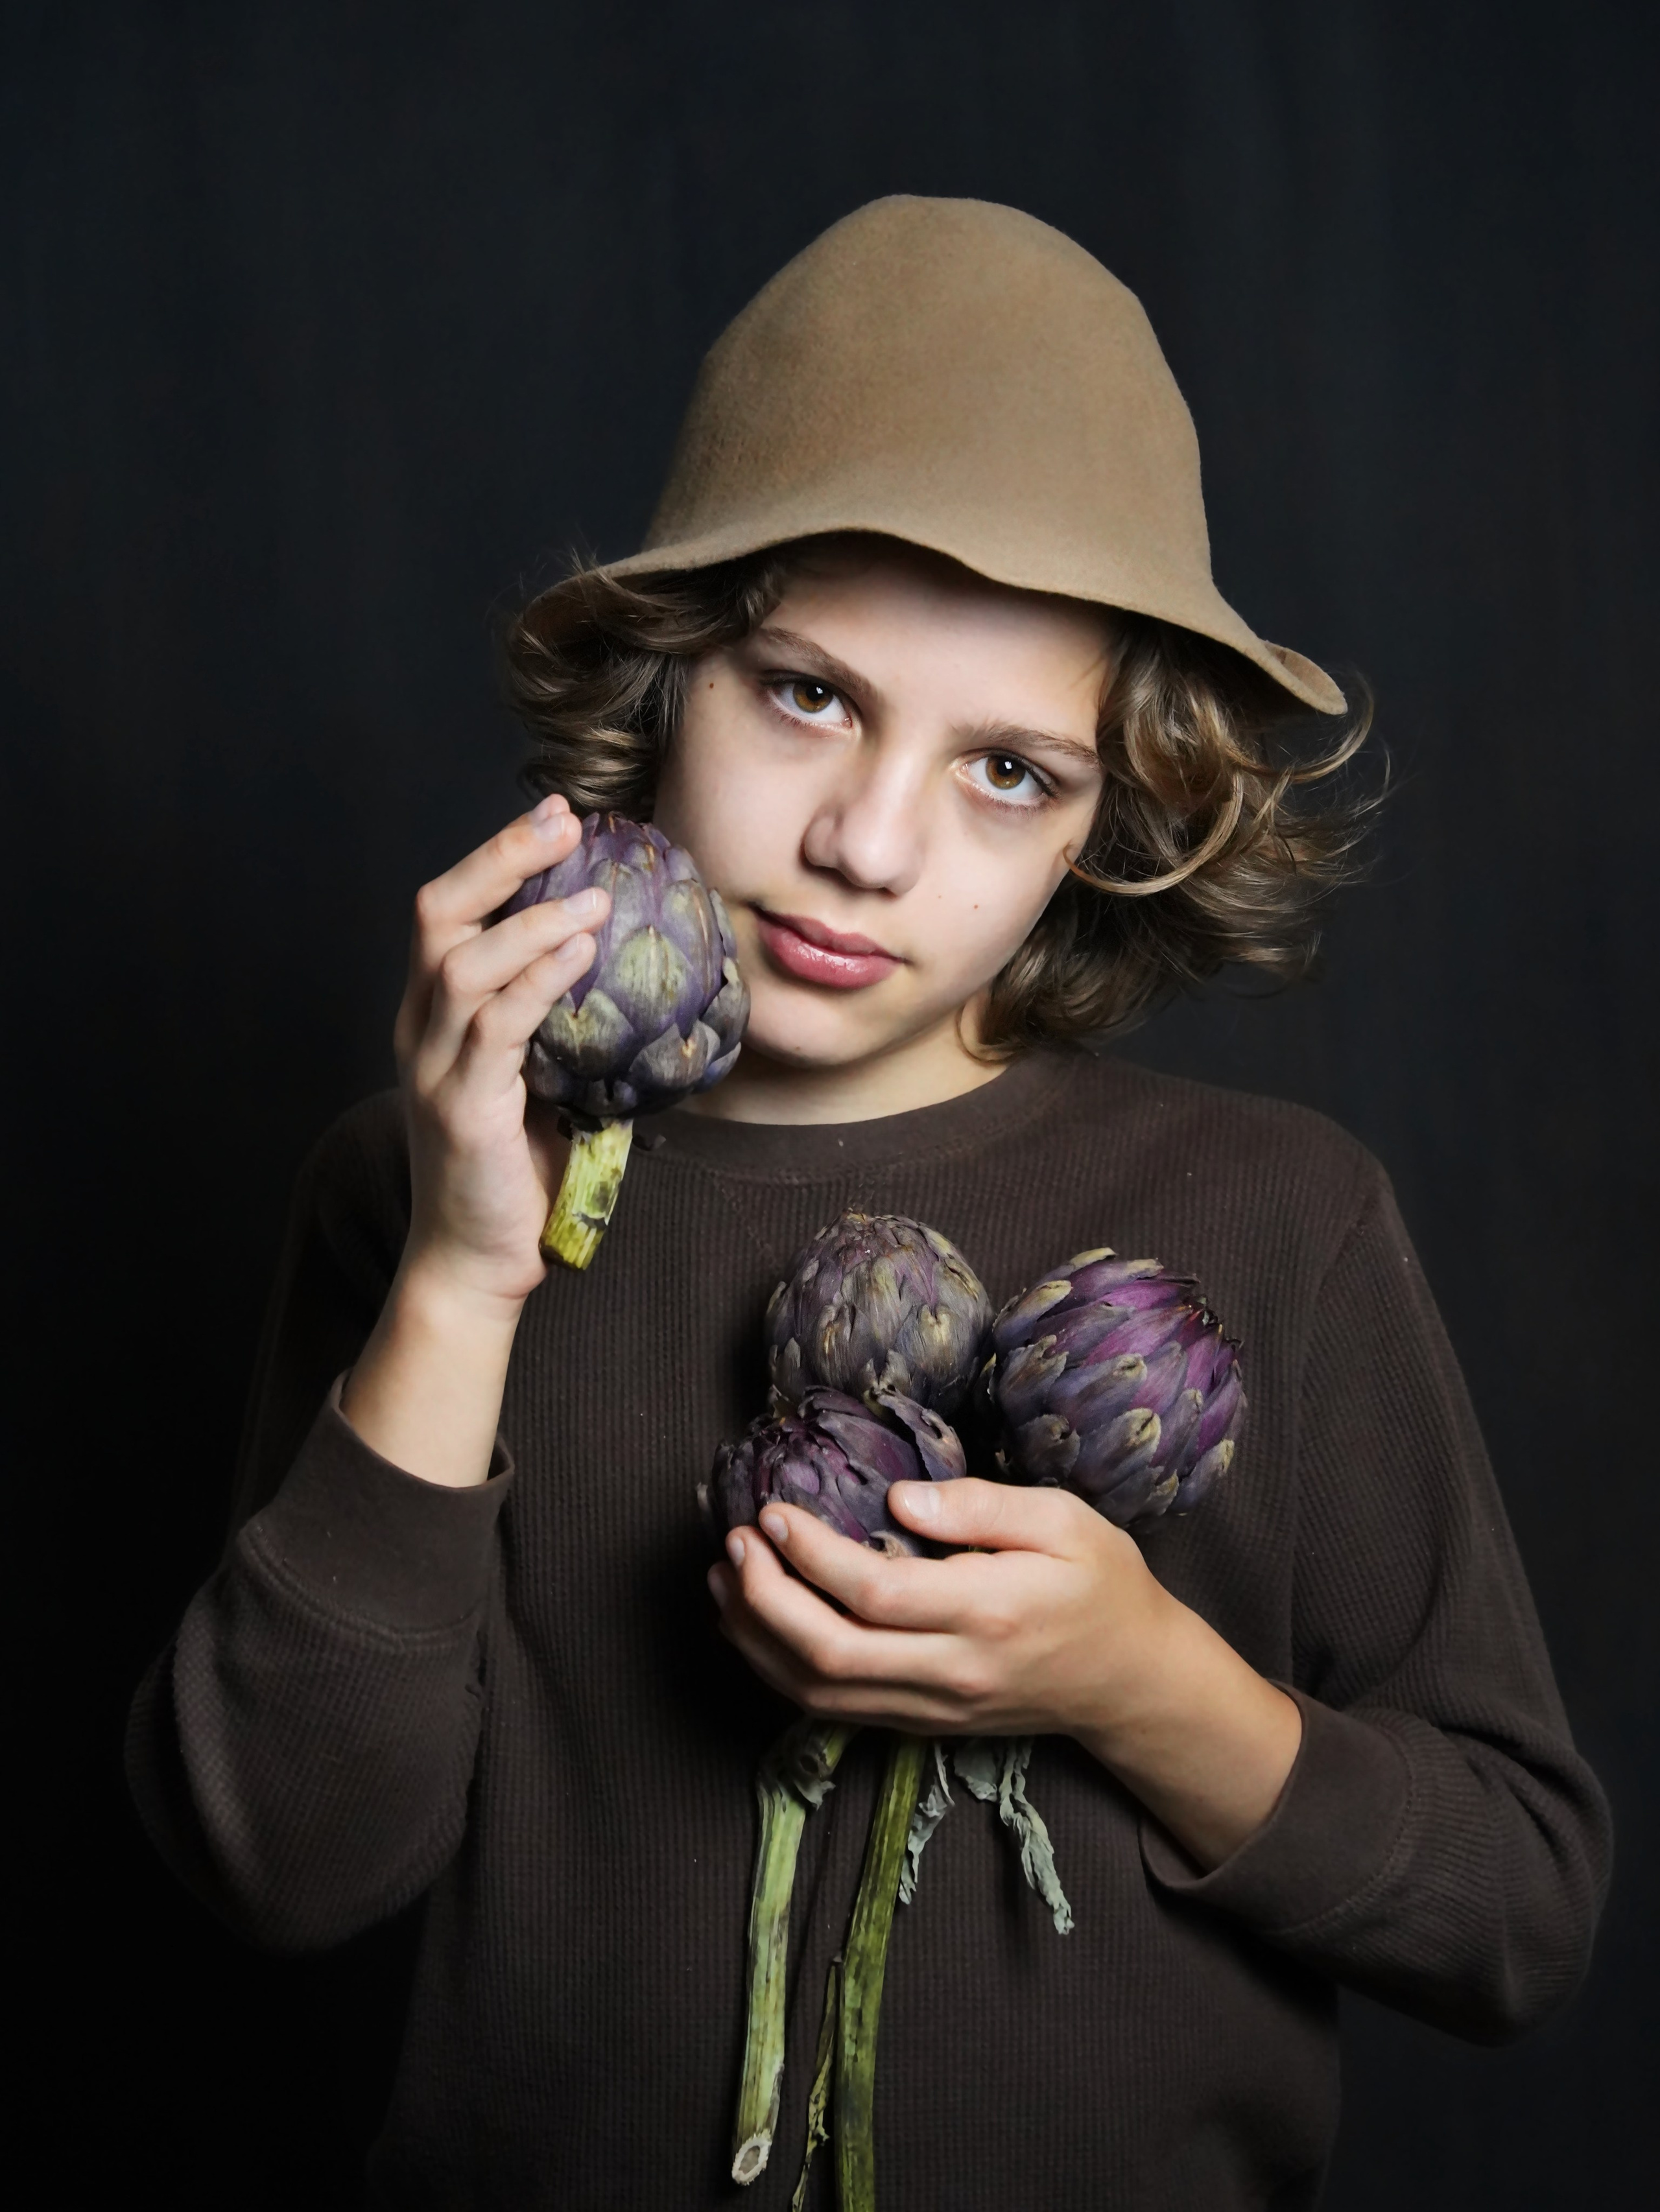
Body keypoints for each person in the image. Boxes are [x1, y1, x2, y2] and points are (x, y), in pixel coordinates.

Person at [128, 197, 1609, 2210]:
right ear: (667, 672)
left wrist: (1138, 1683)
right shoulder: (409, 1186)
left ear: (1121, 819)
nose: (869, 844)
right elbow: (280, 1864)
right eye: (807, 692)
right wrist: (473, 1272)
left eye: (1011, 770)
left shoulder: (1280, 1219)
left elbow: (1517, 1915)